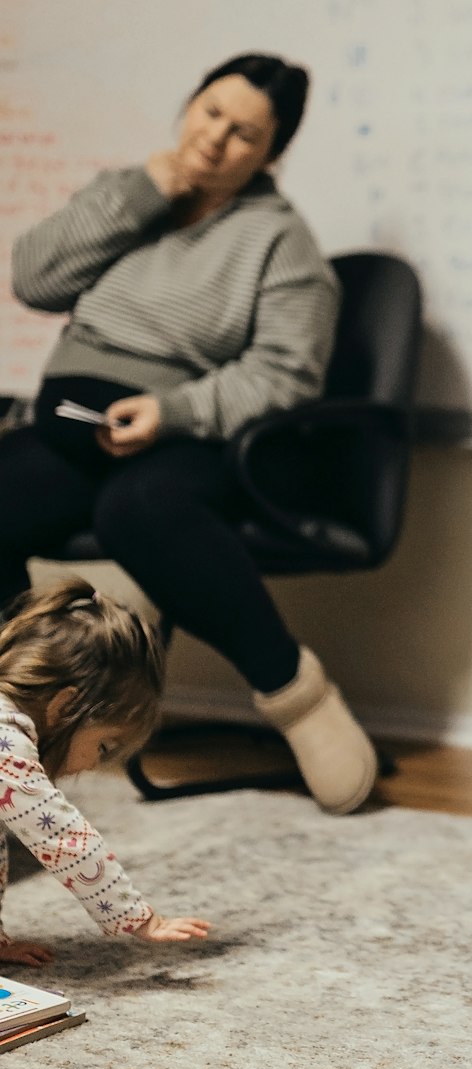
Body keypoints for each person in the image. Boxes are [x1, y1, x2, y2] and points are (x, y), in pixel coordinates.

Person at [1, 52, 376, 814]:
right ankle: (23, 705)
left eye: (243, 133)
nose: (214, 140)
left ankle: (294, 693)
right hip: (71, 427)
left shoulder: (279, 241)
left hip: (184, 440)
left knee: (138, 511)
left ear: (270, 154)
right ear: (188, 107)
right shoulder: (127, 199)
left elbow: (286, 375)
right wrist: (145, 192)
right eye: (209, 113)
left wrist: (171, 414)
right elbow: (36, 279)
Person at [0, 578, 209, 967]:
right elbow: (61, 836)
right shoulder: (5, 742)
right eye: (103, 746)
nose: (95, 764)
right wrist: (138, 916)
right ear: (65, 706)